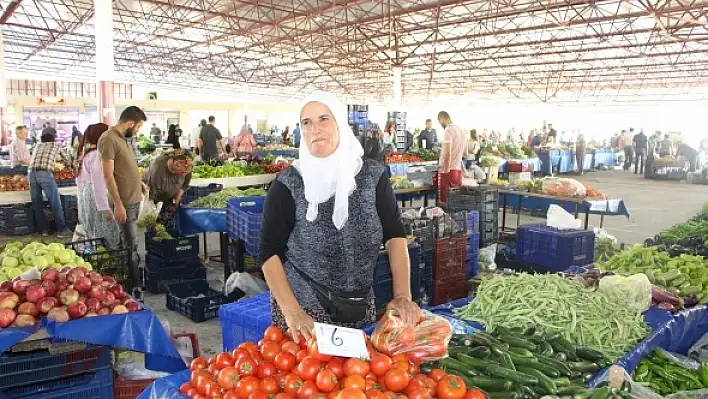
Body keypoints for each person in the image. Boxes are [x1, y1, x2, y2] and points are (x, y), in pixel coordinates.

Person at [258, 91, 419, 337]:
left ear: (340, 124)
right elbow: (269, 252)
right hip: (305, 312)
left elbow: (395, 235)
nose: (315, 129)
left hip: (361, 306)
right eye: (306, 122)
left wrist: (403, 296)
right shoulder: (287, 184)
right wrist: (292, 312)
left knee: (359, 373)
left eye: (324, 119)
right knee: (316, 375)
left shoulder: (373, 177)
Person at [98, 106, 148, 277]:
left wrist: (139, 182)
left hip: (132, 199)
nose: (137, 131)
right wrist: (118, 204)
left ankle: (129, 277)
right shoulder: (108, 139)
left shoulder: (122, 139)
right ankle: (131, 283)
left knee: (131, 243)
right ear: (130, 123)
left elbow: (124, 166)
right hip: (124, 202)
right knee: (129, 245)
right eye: (138, 127)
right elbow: (107, 175)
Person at [75, 123, 121, 249]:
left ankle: (97, 259)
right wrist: (105, 208)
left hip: (86, 195)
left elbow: (79, 181)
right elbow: (99, 183)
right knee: (105, 232)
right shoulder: (97, 155)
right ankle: (109, 261)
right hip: (96, 197)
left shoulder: (87, 153)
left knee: (93, 232)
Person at [29, 133, 71, 237]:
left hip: (31, 174)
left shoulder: (37, 145)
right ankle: (62, 230)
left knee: (37, 203)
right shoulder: (55, 145)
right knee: (55, 202)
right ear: (53, 139)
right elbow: (66, 159)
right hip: (44, 173)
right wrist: (69, 165)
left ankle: (44, 230)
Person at [142, 150, 194, 229]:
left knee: (169, 227)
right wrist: (153, 216)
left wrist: (177, 197)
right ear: (178, 164)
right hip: (154, 199)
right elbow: (151, 198)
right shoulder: (158, 168)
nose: (184, 174)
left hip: (169, 198)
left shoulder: (187, 165)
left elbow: (185, 183)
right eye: (182, 172)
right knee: (154, 228)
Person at [437, 111, 465, 206]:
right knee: (456, 201)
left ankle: (446, 220)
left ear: (442, 119)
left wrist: (445, 170)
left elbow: (448, 152)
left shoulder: (448, 130)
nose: (440, 124)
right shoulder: (461, 130)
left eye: (440, 122)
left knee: (445, 202)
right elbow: (466, 152)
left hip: (448, 171)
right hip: (457, 170)